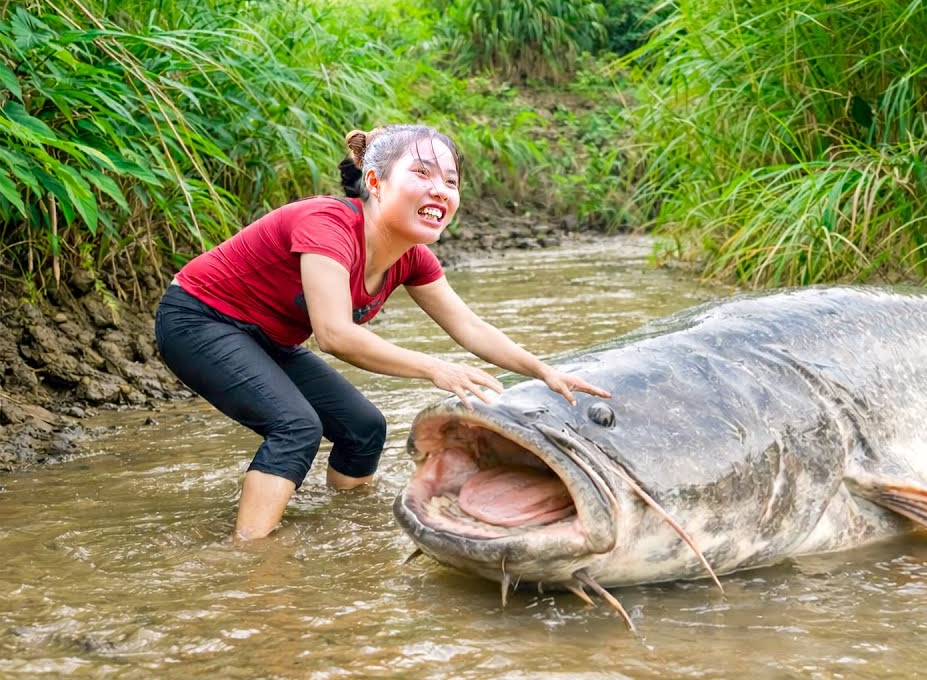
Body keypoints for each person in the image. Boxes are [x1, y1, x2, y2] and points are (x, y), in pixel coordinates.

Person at [153, 124, 609, 541]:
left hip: (268, 339)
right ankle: (249, 556)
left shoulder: (412, 258)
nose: (440, 190)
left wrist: (546, 372)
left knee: (364, 428)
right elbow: (334, 334)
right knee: (295, 427)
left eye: (450, 182)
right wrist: (436, 369)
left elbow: (469, 326)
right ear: (374, 183)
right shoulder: (327, 226)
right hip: (199, 319)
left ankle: (341, 526)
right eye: (423, 174)